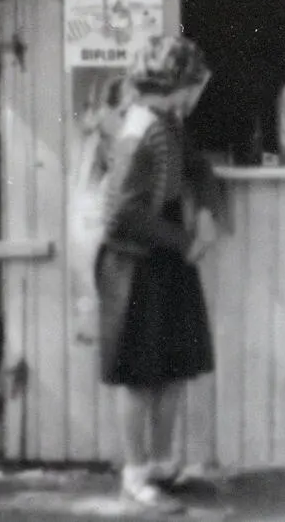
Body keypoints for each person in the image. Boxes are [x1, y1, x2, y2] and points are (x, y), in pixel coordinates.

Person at [94, 35, 222, 513]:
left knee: (173, 370)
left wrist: (207, 210)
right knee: (139, 378)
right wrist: (185, 242)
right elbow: (119, 215)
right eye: (195, 85)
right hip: (132, 266)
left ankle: (164, 467)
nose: (197, 95)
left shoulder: (169, 121)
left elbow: (197, 165)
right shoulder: (139, 131)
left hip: (162, 262)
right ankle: (135, 475)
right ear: (178, 85)